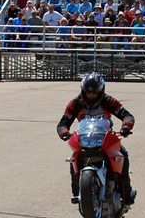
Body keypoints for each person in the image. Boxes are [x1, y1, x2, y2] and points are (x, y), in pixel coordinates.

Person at [56, 72, 136, 206]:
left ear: (101, 92)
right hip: (84, 139)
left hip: (106, 138)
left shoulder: (108, 101)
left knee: (123, 155)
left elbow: (127, 116)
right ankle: (76, 193)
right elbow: (63, 124)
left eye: (94, 93)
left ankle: (126, 193)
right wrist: (65, 134)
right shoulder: (75, 103)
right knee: (73, 159)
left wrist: (126, 127)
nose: (91, 96)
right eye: (88, 93)